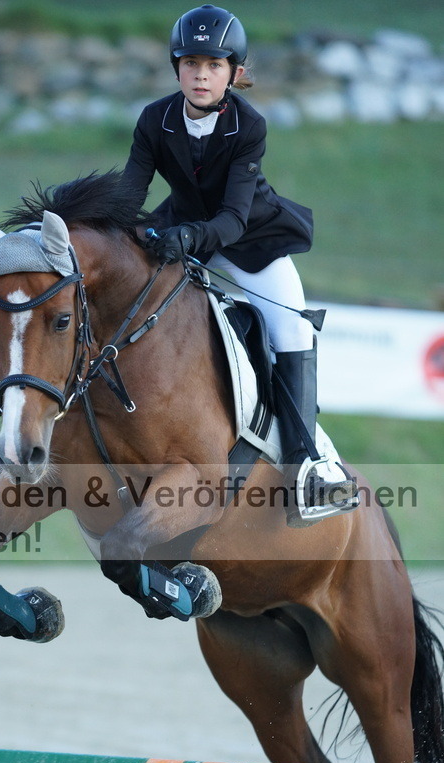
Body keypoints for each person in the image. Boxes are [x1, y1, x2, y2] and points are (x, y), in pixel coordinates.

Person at [122, 4, 357, 526]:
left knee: (291, 329)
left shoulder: (248, 125)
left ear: (234, 72)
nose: (201, 75)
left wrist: (186, 236)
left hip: (250, 239)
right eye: (190, 64)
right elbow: (127, 197)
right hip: (183, 232)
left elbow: (231, 219)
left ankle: (306, 466)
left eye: (214, 65)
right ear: (175, 67)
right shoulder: (154, 119)